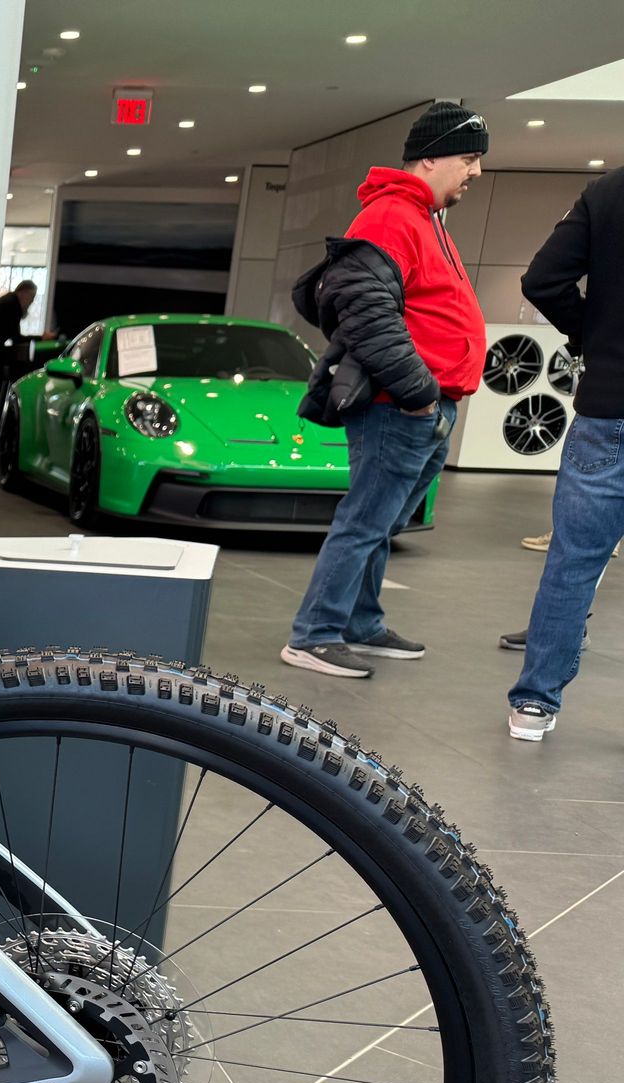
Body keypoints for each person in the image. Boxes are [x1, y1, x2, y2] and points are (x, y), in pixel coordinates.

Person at [281, 102, 489, 678]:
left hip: (423, 403)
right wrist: (418, 393)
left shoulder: (423, 217)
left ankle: (360, 622)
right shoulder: (390, 216)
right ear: (431, 158)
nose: (475, 171)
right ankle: (314, 634)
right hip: (400, 405)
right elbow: (366, 312)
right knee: (365, 521)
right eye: (468, 158)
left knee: (383, 522)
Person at [505, 165, 624, 739]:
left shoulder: (609, 191)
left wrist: (592, 335)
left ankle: (534, 703)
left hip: (607, 406)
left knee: (573, 562)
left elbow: (543, 280)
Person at [0, 280, 37, 447]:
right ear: (25, 293)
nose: (31, 302)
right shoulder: (12, 305)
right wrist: (41, 337)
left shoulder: (7, 302)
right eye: (32, 297)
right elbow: (16, 337)